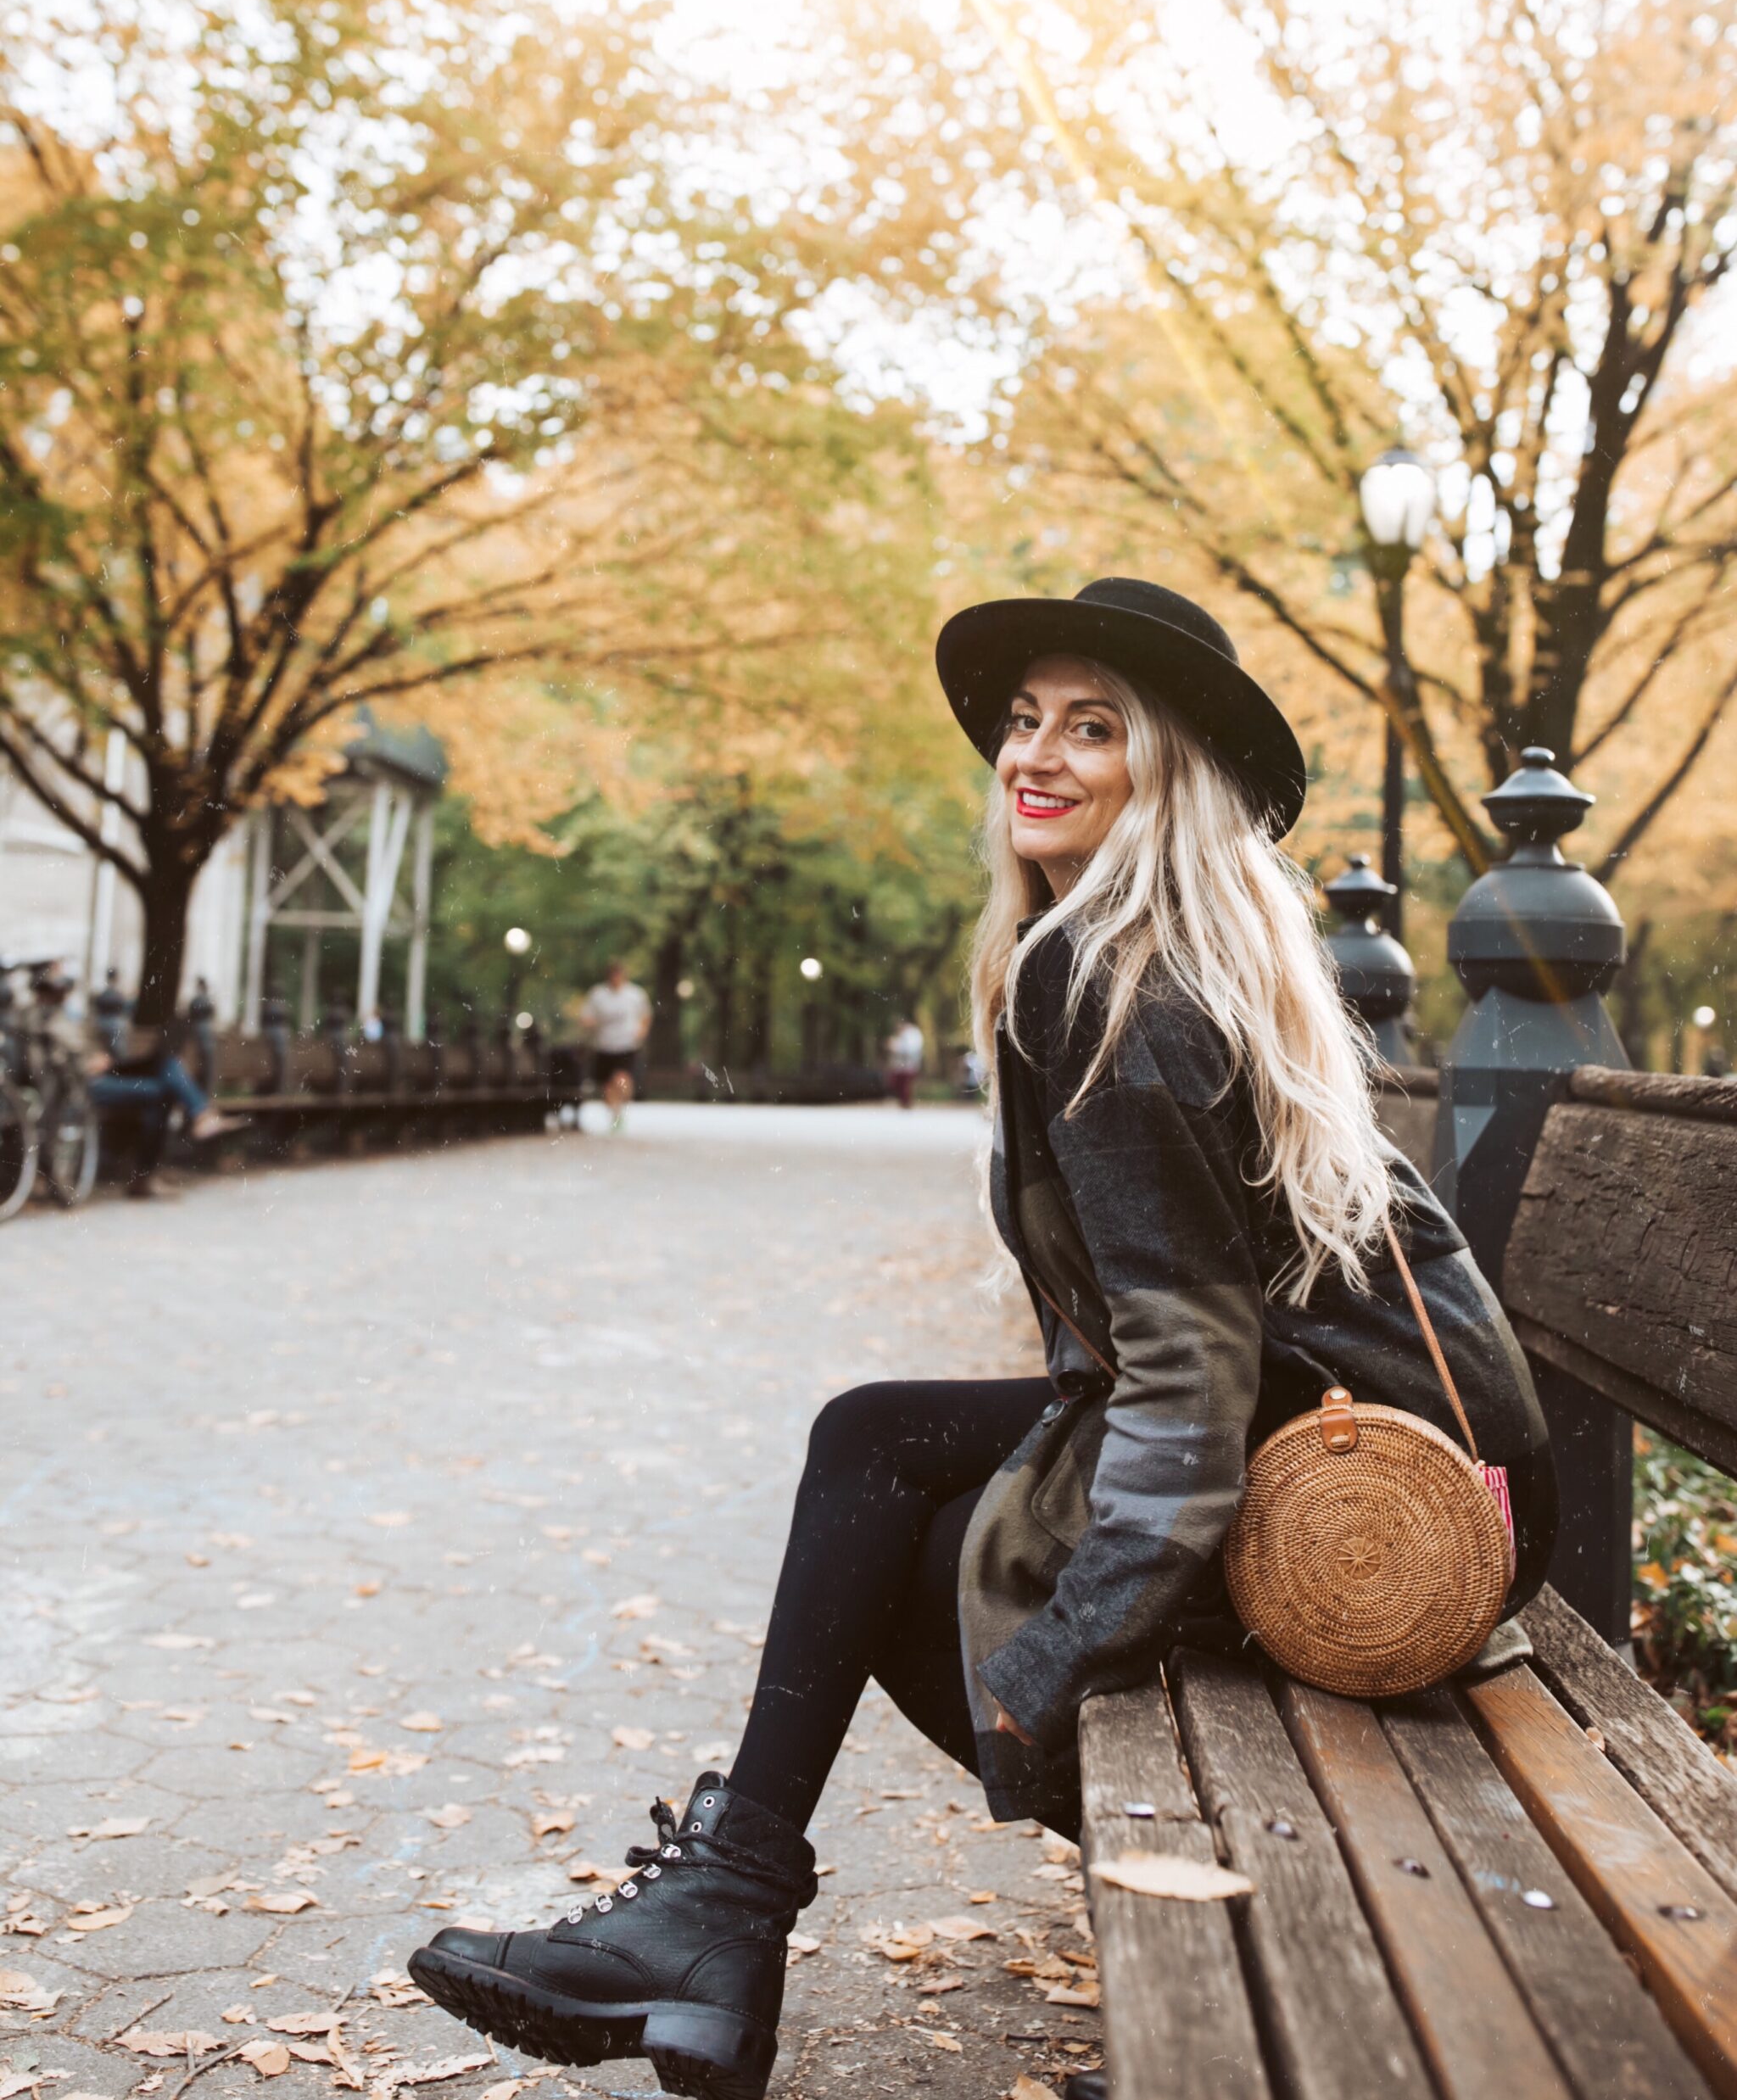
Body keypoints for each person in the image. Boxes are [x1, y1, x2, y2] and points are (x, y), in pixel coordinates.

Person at [408, 578, 1557, 2100]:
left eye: (1094, 726)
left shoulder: (1115, 983)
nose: (1037, 752)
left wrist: (1055, 1650)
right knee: (873, 1444)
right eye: (1026, 720)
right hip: (1408, 1462)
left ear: (1170, 774)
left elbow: (1188, 1381)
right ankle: (724, 1913)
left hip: (1370, 1509)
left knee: (915, 1551)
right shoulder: (1139, 950)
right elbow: (1194, 1352)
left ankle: (733, 1926)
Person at [33, 964, 244, 1199]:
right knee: (162, 1091)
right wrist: (91, 1063)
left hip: (103, 1074)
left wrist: (103, 1058)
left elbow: (91, 1048)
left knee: (166, 1065)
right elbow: (54, 1062)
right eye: (57, 984)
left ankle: (197, 1116)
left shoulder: (70, 1015)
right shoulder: (42, 1018)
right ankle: (193, 1122)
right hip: (85, 1084)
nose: (63, 990)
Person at [577, 959, 651, 1131]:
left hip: (627, 1045)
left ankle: (621, 1106)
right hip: (604, 1046)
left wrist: (641, 1032)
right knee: (608, 1087)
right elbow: (586, 1017)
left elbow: (646, 1016)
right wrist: (591, 1024)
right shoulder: (598, 994)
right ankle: (615, 1113)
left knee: (622, 1080)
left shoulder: (635, 994)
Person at [881, 1011, 924, 1109]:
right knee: (898, 1083)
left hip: (909, 1065)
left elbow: (910, 1049)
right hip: (901, 1065)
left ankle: (906, 1103)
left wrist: (894, 1046)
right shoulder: (904, 1034)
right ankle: (903, 1103)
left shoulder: (912, 1034)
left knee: (905, 1085)